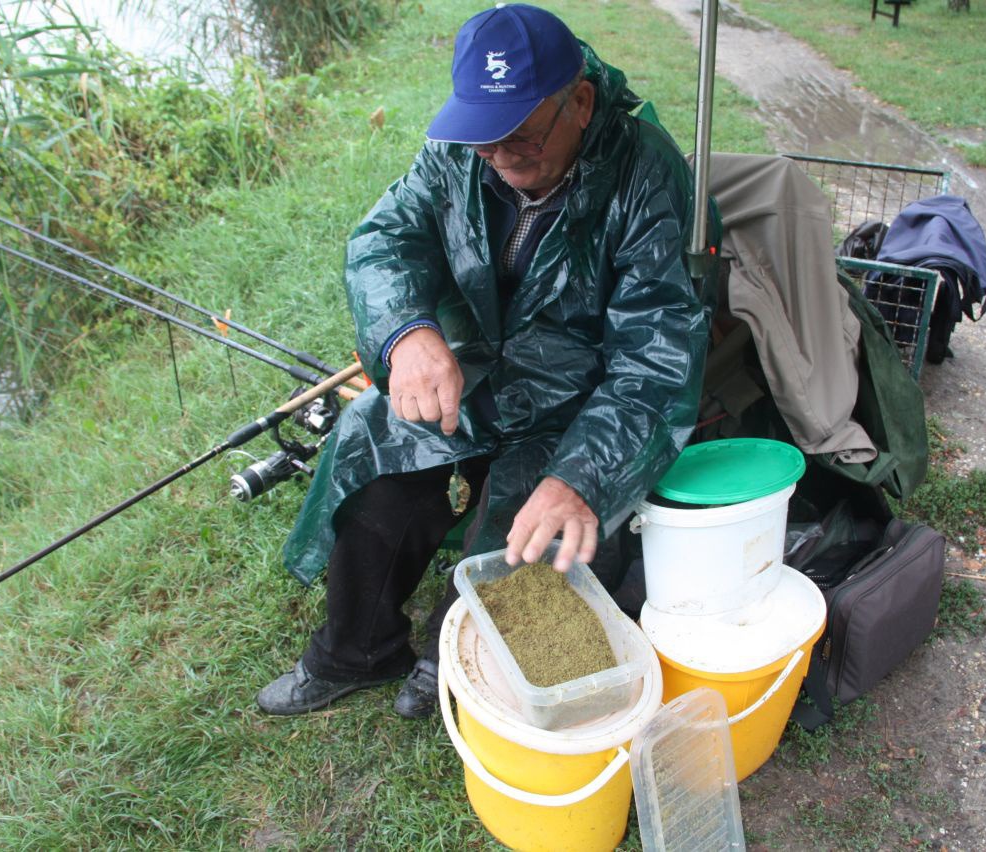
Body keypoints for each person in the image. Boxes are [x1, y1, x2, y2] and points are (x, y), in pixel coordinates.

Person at [257, 3, 713, 718]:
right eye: (483, 142)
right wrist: (406, 332)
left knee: (527, 529)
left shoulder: (645, 172)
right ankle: (356, 648)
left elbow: (654, 361)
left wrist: (582, 475)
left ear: (581, 104)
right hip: (478, 374)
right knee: (372, 436)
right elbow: (384, 239)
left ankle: (446, 658)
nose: (499, 158)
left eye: (521, 140)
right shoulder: (458, 149)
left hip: (579, 404)